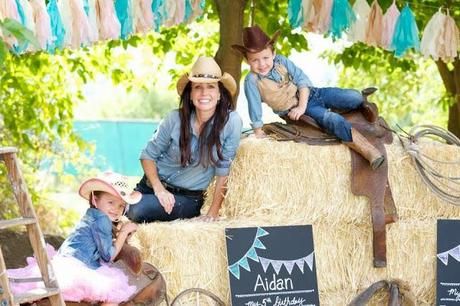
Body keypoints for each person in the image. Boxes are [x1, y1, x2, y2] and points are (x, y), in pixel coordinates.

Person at [232, 25, 384, 170]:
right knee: (332, 120)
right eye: (255, 60)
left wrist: (302, 105)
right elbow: (254, 107)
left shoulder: (281, 61)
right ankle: (369, 151)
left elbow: (302, 81)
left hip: (311, 94)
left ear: (273, 53)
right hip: (297, 110)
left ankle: (359, 101)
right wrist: (258, 131)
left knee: (354, 96)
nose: (262, 64)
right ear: (247, 61)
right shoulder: (252, 81)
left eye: (265, 57)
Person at [127, 56, 243, 223]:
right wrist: (159, 190)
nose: (204, 93)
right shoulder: (174, 118)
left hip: (187, 199)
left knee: (136, 209)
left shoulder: (231, 122)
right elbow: (147, 156)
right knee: (109, 203)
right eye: (198, 87)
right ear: (190, 94)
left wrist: (213, 212)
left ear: (219, 94)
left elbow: (223, 171)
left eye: (211, 87)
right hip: (151, 187)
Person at [7, 171, 141, 305]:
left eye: (121, 205)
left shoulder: (92, 213)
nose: (116, 209)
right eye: (111, 202)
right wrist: (123, 232)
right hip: (78, 265)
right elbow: (108, 256)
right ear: (95, 199)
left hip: (65, 260)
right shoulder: (102, 219)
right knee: (113, 292)